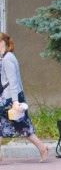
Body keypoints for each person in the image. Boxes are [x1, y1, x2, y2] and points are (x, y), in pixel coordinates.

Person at [0, 33, 48, 162]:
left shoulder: (7, 58)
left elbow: (13, 81)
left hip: (11, 99)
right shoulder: (5, 57)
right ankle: (42, 147)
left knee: (22, 125)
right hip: (8, 97)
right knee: (7, 125)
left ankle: (42, 148)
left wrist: (15, 101)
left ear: (2, 43)